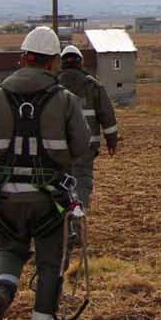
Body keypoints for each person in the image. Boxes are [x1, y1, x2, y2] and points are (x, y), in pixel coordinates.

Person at [0, 26, 90, 320]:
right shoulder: (65, 100)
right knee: (51, 260)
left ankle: (3, 291)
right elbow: (80, 145)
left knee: (11, 247)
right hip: (49, 199)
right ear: (53, 63)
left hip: (7, 194)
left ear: (23, 58)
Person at [57, 45, 119, 219]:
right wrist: (111, 141)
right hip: (86, 146)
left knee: (59, 183)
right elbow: (107, 115)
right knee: (82, 182)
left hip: (58, 147)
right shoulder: (92, 85)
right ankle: (77, 221)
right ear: (80, 63)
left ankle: (62, 226)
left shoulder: (53, 85)